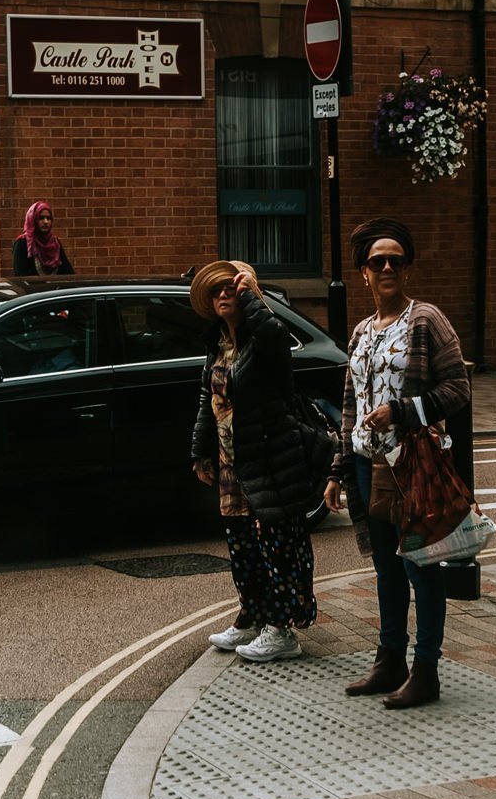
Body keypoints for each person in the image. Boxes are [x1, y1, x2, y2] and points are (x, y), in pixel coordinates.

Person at [323, 219, 470, 710]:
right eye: (377, 261)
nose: (387, 267)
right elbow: (351, 405)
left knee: (420, 566)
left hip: (410, 465)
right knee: (387, 568)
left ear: (406, 269)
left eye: (396, 260)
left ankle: (426, 669)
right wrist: (338, 469)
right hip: (369, 465)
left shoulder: (425, 320)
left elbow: (457, 390)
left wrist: (404, 411)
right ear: (363, 272)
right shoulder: (363, 332)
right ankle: (391, 660)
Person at [189, 259, 322, 663]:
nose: (225, 295)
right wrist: (200, 449)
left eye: (232, 288)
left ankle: (282, 631)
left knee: (277, 546)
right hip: (233, 464)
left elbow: (276, 335)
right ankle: (252, 616)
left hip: (269, 458)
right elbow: (207, 402)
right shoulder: (217, 346)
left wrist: (252, 296)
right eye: (218, 291)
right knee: (243, 547)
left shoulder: (264, 343)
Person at [11, 200, 74, 276]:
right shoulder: (23, 243)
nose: (46, 222)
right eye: (41, 218)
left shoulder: (55, 243)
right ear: (33, 220)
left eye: (48, 218)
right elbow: (20, 276)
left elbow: (68, 273)